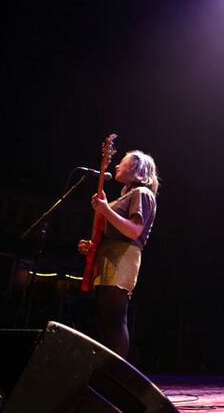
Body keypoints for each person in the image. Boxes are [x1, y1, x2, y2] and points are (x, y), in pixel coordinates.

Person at [78, 150, 159, 358]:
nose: (116, 166)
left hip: (123, 257)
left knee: (115, 322)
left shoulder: (141, 193)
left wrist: (105, 210)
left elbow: (133, 230)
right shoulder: (126, 195)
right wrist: (92, 245)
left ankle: (115, 374)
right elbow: (111, 230)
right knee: (105, 322)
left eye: (121, 163)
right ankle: (106, 372)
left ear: (134, 169)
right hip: (107, 257)